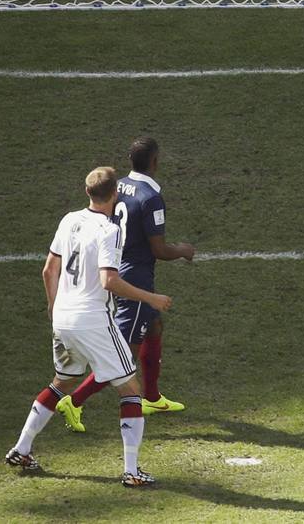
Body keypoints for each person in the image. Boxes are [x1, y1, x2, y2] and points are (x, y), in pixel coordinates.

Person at [5, 167, 171, 487]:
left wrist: (53, 306)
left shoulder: (68, 220)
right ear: (116, 194)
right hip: (93, 321)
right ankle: (132, 472)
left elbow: (48, 270)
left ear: (86, 192)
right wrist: (151, 298)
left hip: (63, 318)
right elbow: (110, 281)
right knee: (130, 389)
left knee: (62, 382)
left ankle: (22, 448)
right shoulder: (110, 231)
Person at [56, 139, 195, 434]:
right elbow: (159, 249)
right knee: (122, 355)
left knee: (154, 326)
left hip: (116, 265)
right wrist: (183, 250)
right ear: (155, 162)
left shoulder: (118, 186)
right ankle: (75, 400)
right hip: (135, 278)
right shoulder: (151, 198)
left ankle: (152, 398)